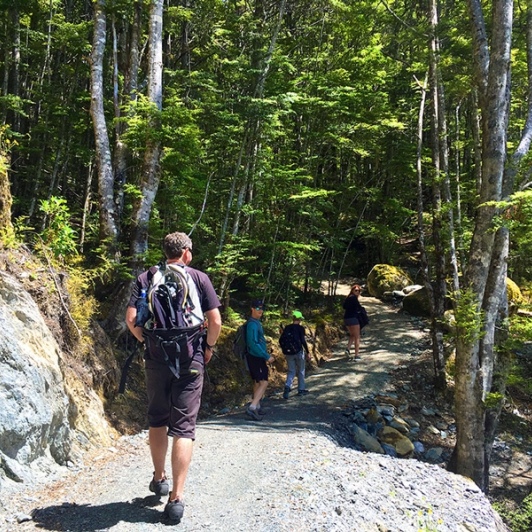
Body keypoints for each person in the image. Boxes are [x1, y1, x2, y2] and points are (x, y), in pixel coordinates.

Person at [125, 232, 222, 524]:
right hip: (190, 357)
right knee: (183, 427)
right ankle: (176, 498)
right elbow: (215, 321)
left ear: (166, 252)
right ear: (187, 253)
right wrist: (209, 347)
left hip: (156, 357)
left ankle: (159, 477)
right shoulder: (199, 278)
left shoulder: (147, 277)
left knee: (157, 418)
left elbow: (131, 319)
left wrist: (147, 340)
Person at [245, 299, 274, 421]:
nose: (260, 310)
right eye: (258, 308)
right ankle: (252, 407)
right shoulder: (252, 324)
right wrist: (266, 356)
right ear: (252, 308)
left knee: (257, 382)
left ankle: (257, 405)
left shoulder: (255, 322)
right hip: (255, 357)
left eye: (262, 308)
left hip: (255, 357)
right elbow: (253, 343)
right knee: (264, 382)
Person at [281, 310, 310, 399]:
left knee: (291, 371)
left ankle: (288, 386)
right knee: (301, 370)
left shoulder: (287, 327)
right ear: (300, 319)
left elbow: (281, 340)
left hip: (288, 353)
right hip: (298, 352)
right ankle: (301, 389)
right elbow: (302, 341)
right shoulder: (300, 328)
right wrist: (308, 352)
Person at [342, 284, 364, 360]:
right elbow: (359, 308)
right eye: (356, 290)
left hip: (346, 319)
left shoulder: (348, 298)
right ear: (352, 290)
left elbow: (344, 307)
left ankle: (347, 349)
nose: (358, 292)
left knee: (352, 335)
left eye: (359, 291)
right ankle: (356, 355)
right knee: (357, 336)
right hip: (353, 319)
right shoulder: (354, 298)